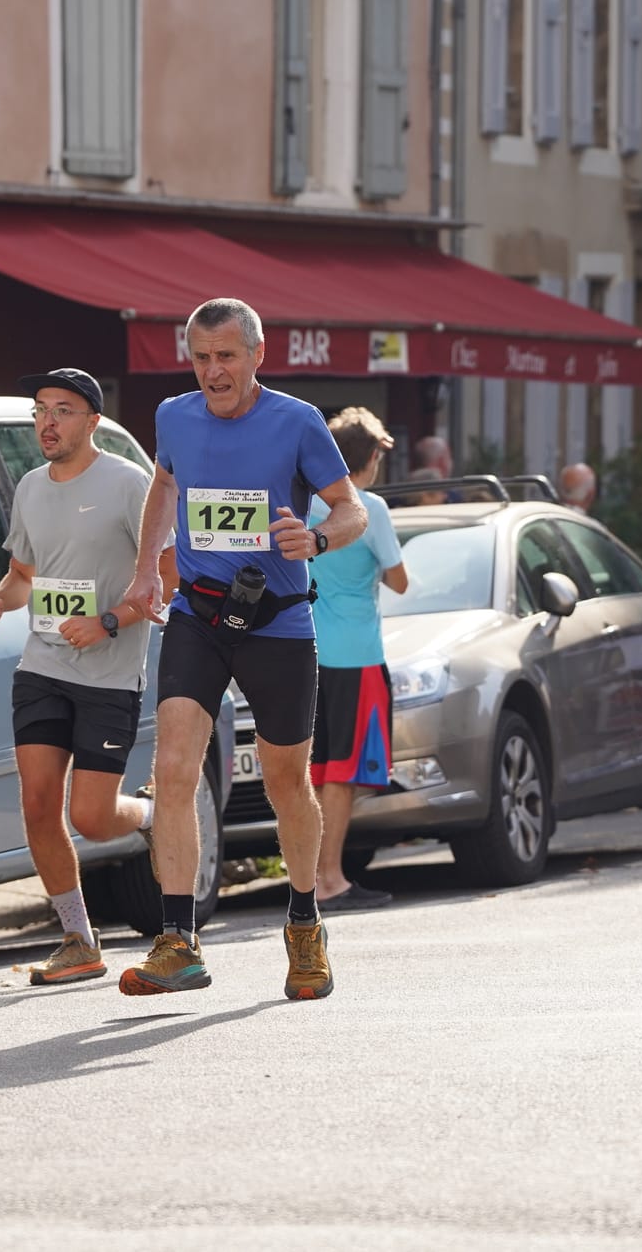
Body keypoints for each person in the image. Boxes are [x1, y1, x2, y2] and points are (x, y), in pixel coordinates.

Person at [123, 297, 367, 1001]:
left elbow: (349, 507)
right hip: (199, 616)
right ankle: (179, 939)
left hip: (278, 621)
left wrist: (317, 538)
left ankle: (303, 922)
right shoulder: (174, 416)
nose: (213, 371)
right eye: (201, 358)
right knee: (171, 766)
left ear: (257, 354)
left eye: (226, 356)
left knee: (290, 781)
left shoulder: (297, 421)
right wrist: (147, 568)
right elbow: (164, 484)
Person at [0, 368, 164, 985]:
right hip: (43, 664)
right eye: (40, 410)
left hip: (109, 671)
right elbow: (24, 573)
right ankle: (78, 938)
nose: (47, 422)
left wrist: (109, 621)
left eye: (62, 409)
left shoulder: (128, 483)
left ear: (92, 422)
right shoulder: (30, 487)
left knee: (91, 816)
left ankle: (148, 816)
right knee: (35, 801)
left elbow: (169, 573)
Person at [308, 408, 409, 910]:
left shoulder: (305, 507)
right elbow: (400, 580)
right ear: (371, 458)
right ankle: (330, 878)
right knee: (342, 774)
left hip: (307, 653)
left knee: (315, 770)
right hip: (356, 654)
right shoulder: (369, 508)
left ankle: (311, 877)